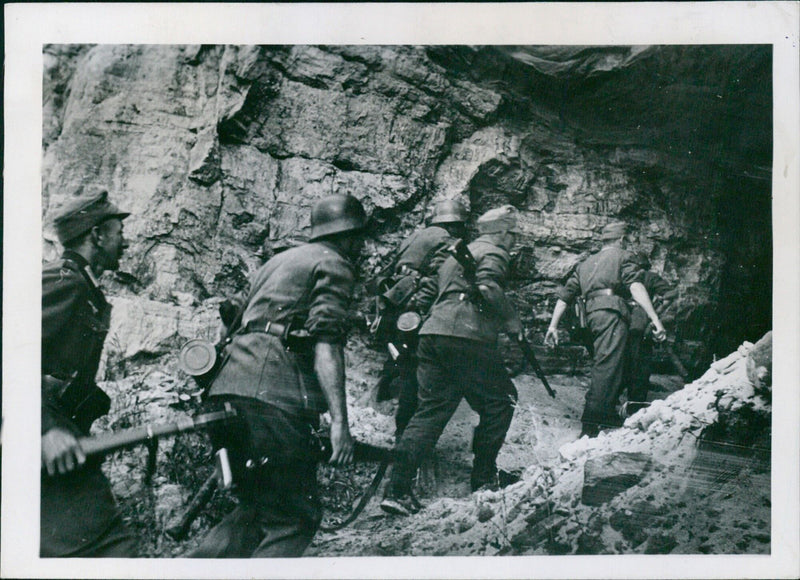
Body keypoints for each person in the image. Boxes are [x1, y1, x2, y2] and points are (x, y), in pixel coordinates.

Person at [189, 194, 367, 558]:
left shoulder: (276, 263)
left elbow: (231, 325)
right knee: (294, 517)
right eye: (360, 237)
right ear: (349, 235)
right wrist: (339, 426)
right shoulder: (334, 264)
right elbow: (326, 346)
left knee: (257, 506)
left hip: (226, 391)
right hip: (272, 398)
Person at [381, 205, 523, 516]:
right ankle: (485, 479)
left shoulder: (455, 254)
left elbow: (432, 292)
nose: (514, 241)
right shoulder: (495, 252)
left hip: (432, 334)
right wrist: (512, 322)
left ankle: (398, 489)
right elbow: (487, 286)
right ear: (501, 232)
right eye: (513, 235)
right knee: (502, 401)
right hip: (466, 336)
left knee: (431, 409)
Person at [41, 189, 136, 557]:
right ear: (97, 236)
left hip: (64, 439)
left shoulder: (84, 286)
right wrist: (44, 427)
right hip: (46, 438)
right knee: (109, 544)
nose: (124, 241)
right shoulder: (64, 282)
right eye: (118, 232)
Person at [544, 221, 666, 438]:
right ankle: (589, 426)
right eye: (626, 240)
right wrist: (655, 318)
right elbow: (635, 286)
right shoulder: (622, 256)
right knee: (607, 367)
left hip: (590, 319)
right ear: (621, 240)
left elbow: (565, 297)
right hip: (611, 315)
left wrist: (553, 326)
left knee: (613, 364)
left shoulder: (585, 263)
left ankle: (606, 413)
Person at [373, 199, 469, 437]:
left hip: (395, 306)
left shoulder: (415, 237)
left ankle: (390, 408)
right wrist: (423, 311)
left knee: (400, 361)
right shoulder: (448, 241)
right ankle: (406, 433)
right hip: (414, 310)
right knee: (415, 375)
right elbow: (436, 279)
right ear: (455, 224)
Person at [619, 252, 677, 411]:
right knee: (641, 366)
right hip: (640, 328)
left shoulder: (622, 277)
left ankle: (610, 404)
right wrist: (657, 312)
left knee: (619, 364)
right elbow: (671, 293)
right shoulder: (650, 277)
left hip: (619, 326)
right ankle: (634, 407)